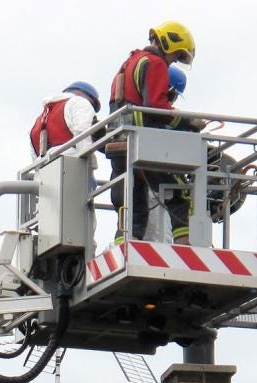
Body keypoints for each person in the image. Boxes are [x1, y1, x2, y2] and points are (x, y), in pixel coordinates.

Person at [107, 20, 196, 243]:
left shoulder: (129, 64)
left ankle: (125, 248)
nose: (174, 60)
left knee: (132, 208)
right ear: (168, 43)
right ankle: (186, 251)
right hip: (144, 145)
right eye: (176, 54)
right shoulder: (154, 63)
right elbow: (155, 107)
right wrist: (188, 123)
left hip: (120, 146)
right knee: (180, 195)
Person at [30, 81, 101, 157]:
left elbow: (35, 158)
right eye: (92, 104)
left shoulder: (36, 122)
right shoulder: (80, 102)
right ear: (81, 94)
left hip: (45, 167)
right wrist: (88, 160)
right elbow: (82, 133)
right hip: (71, 161)